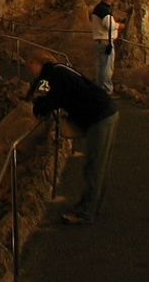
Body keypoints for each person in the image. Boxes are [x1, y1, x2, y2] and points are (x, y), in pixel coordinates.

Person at [25, 53, 119, 225]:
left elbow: (48, 102)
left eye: (29, 64)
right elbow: (41, 92)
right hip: (104, 111)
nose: (29, 69)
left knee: (94, 166)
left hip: (100, 116)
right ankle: (92, 206)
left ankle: (86, 213)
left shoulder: (54, 76)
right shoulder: (58, 70)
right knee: (99, 164)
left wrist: (37, 106)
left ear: (37, 63)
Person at [89, 0, 120, 94]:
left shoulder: (99, 8)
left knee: (101, 66)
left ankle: (99, 89)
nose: (113, 1)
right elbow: (110, 25)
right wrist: (119, 25)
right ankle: (106, 90)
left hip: (100, 41)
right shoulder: (103, 9)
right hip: (105, 42)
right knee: (107, 67)